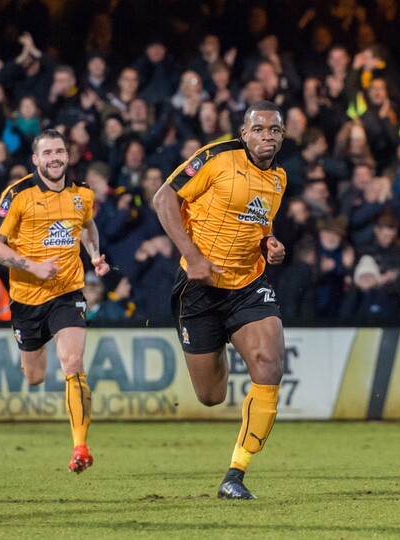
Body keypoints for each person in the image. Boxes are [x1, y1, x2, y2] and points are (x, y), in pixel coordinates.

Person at [153, 100, 287, 500]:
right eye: (259, 129)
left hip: (248, 284)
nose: (267, 136)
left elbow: (261, 223)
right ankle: (219, 340)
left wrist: (269, 244)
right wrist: (192, 256)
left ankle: (235, 475)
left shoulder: (279, 179)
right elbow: (163, 199)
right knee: (211, 396)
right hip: (200, 286)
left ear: (283, 136)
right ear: (244, 133)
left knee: (269, 364)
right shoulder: (215, 158)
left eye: (274, 130)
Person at [0, 129, 110, 474]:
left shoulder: (82, 193)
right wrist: (32, 266)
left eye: (60, 152)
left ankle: (80, 448)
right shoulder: (18, 194)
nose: (55, 158)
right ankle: (31, 355)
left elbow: (87, 226)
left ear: (68, 155)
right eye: (48, 153)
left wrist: (94, 255)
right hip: (26, 298)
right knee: (35, 376)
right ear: (36, 159)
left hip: (68, 292)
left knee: (73, 362)